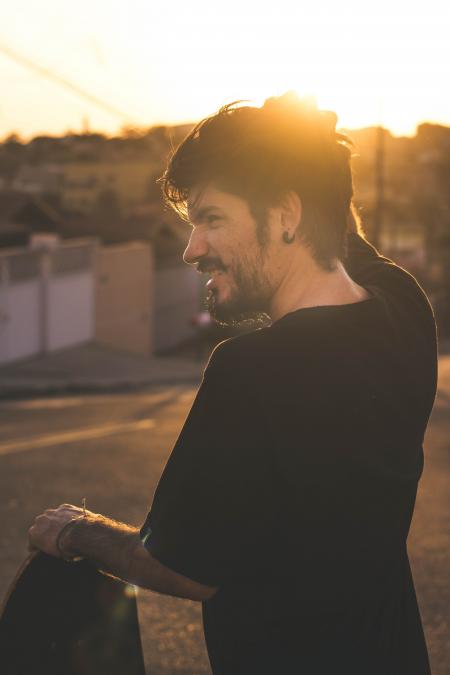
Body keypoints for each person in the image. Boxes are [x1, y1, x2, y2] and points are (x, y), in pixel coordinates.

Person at [29, 93, 437, 674]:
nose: (192, 249)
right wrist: (313, 151)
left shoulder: (253, 370)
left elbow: (182, 566)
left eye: (211, 219)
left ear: (285, 215)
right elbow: (340, 233)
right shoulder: (404, 309)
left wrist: (78, 532)